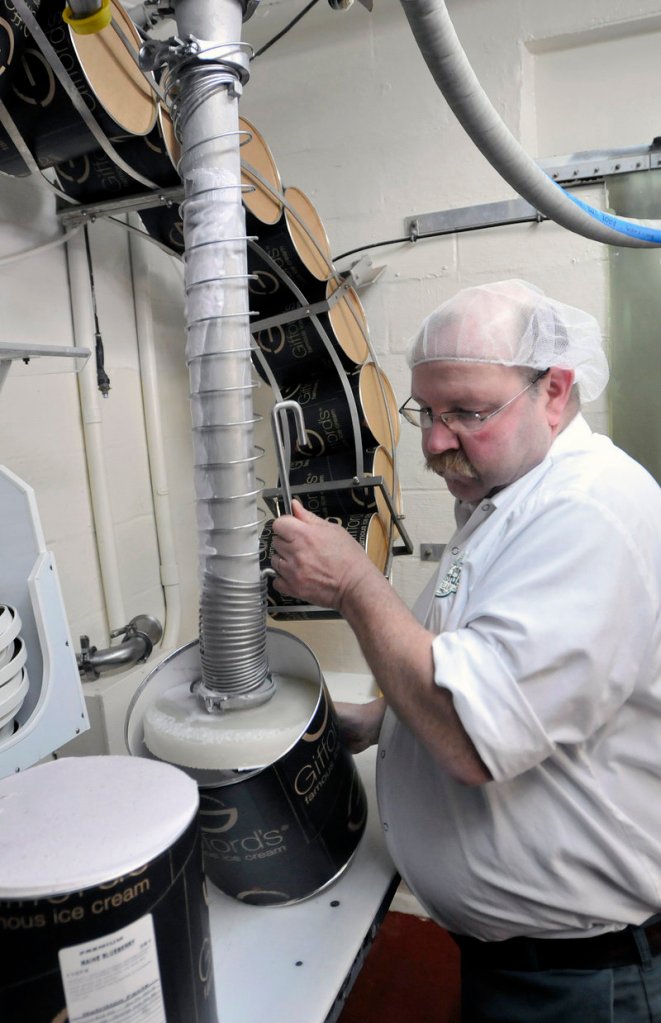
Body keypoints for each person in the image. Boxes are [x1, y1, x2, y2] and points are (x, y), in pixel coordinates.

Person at [270, 279, 661, 1022]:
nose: (433, 440)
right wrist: (376, 718)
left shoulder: (587, 514)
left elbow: (469, 736)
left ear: (554, 389)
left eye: (467, 413)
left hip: (584, 982)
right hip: (517, 961)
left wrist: (354, 584)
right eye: (427, 411)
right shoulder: (503, 502)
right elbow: (483, 663)